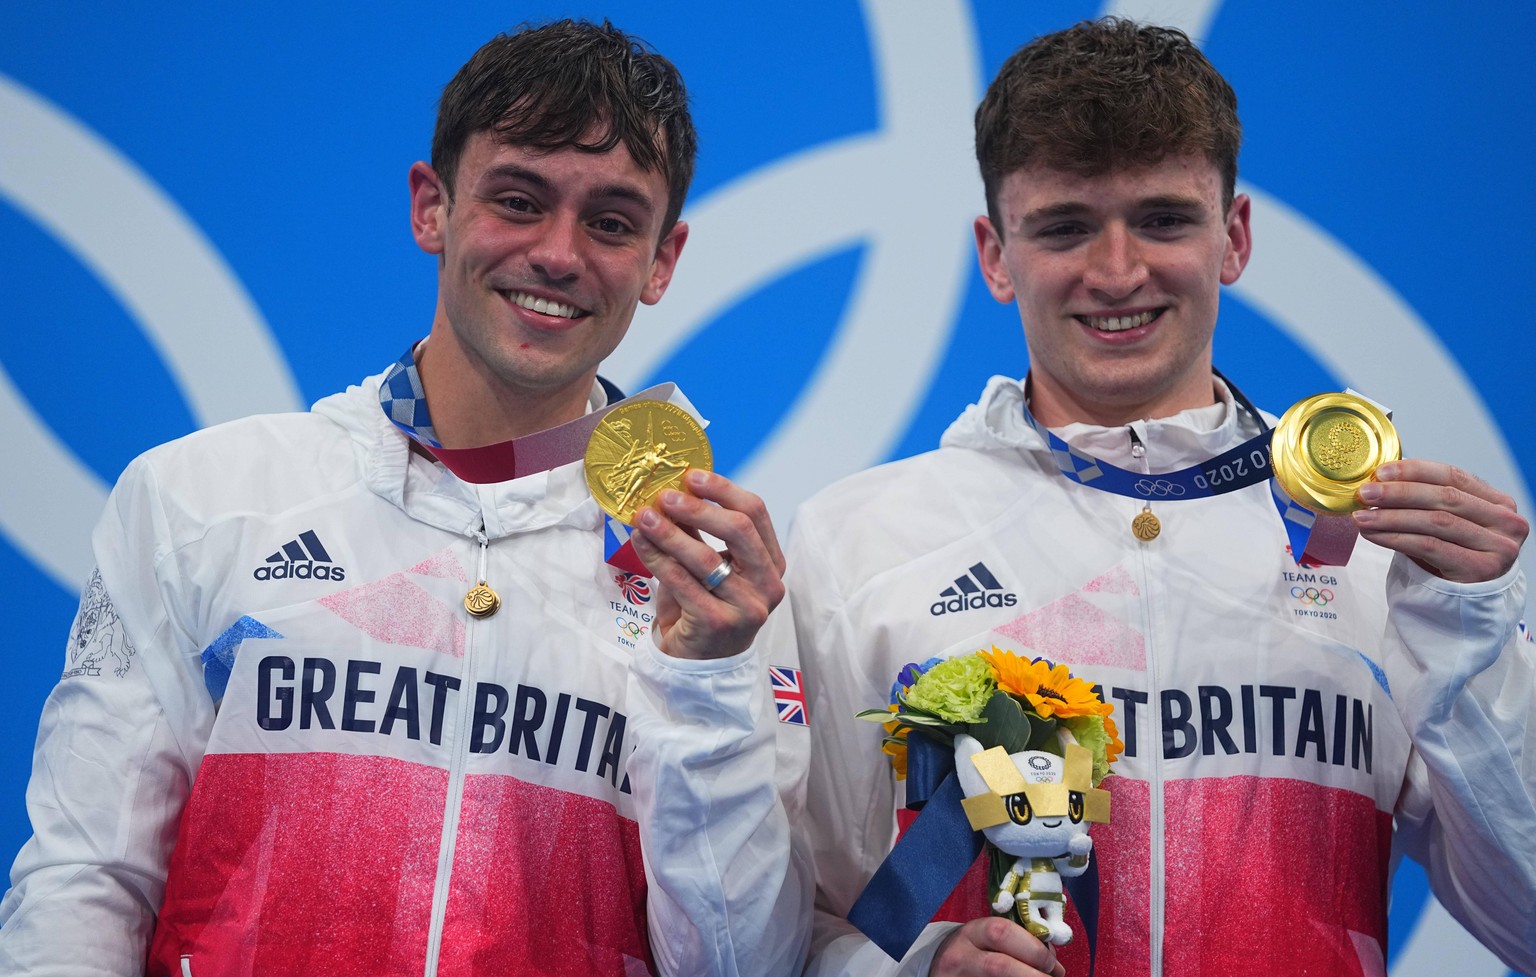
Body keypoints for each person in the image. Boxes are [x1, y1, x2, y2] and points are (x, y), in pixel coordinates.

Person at [0, 20, 810, 977]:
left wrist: (704, 682)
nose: (558, 254)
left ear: (662, 260)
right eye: (518, 199)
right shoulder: (199, 499)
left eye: (611, 222)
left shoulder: (711, 584)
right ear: (432, 206)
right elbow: (82, 882)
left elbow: (740, 964)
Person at [779, 17, 1535, 977]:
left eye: (1164, 219)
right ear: (996, 254)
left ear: (1236, 236)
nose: (1118, 271)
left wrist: (1469, 636)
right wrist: (911, 967)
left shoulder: (1389, 560)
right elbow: (776, 926)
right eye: (1065, 226)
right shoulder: (862, 538)